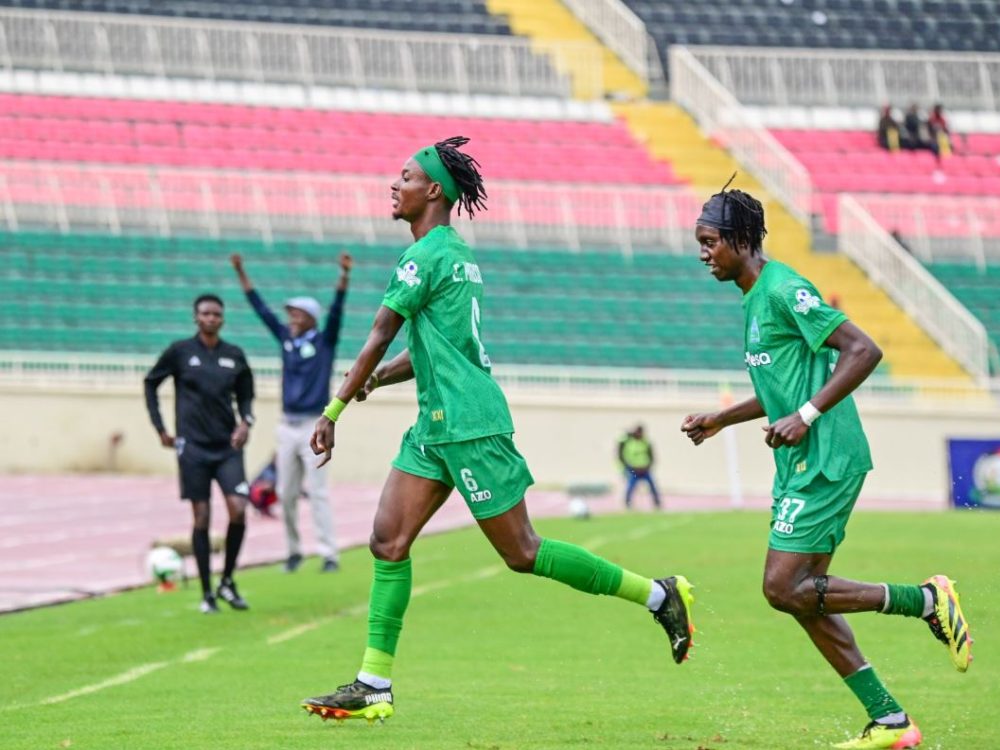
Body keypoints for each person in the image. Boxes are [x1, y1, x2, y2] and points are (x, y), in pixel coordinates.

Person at [300, 137, 696, 723]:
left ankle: (660, 595)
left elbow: (381, 331)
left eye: (404, 176)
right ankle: (373, 683)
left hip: (470, 425)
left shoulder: (425, 256)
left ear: (433, 190)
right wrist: (378, 382)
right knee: (388, 540)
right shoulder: (456, 254)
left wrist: (333, 411)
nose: (394, 184)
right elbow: (438, 349)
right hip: (436, 425)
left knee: (523, 552)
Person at [680, 182, 972, 749]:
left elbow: (864, 349)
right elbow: (780, 388)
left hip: (826, 457)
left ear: (741, 239)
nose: (703, 253)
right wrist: (723, 419)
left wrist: (808, 416)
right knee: (804, 596)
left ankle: (927, 600)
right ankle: (890, 722)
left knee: (782, 587)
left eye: (710, 241)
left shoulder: (785, 288)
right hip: (799, 461)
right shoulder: (752, 298)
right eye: (700, 242)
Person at [231, 251, 353, 573]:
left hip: (314, 425)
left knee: (318, 492)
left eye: (298, 314)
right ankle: (293, 551)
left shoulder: (325, 341)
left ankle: (329, 554)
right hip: (287, 425)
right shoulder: (285, 339)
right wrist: (241, 273)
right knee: (285, 492)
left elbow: (338, 312)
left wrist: (343, 278)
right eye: (290, 314)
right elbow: (261, 311)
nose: (291, 319)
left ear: (311, 317)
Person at [144, 293, 255, 614]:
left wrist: (246, 422)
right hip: (192, 447)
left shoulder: (234, 355)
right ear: (196, 317)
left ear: (222, 318)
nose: (210, 318)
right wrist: (161, 428)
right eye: (205, 313)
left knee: (238, 509)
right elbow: (151, 383)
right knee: (202, 516)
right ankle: (207, 593)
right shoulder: (180, 352)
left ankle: (228, 580)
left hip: (227, 447)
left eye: (216, 314)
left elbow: (246, 396)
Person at [618, 424, 662, 510]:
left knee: (652, 485)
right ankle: (628, 503)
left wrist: (648, 466)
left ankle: (657, 502)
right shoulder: (628, 442)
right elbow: (623, 455)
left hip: (644, 469)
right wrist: (629, 467)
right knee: (631, 485)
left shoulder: (646, 442)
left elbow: (651, 456)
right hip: (633, 470)